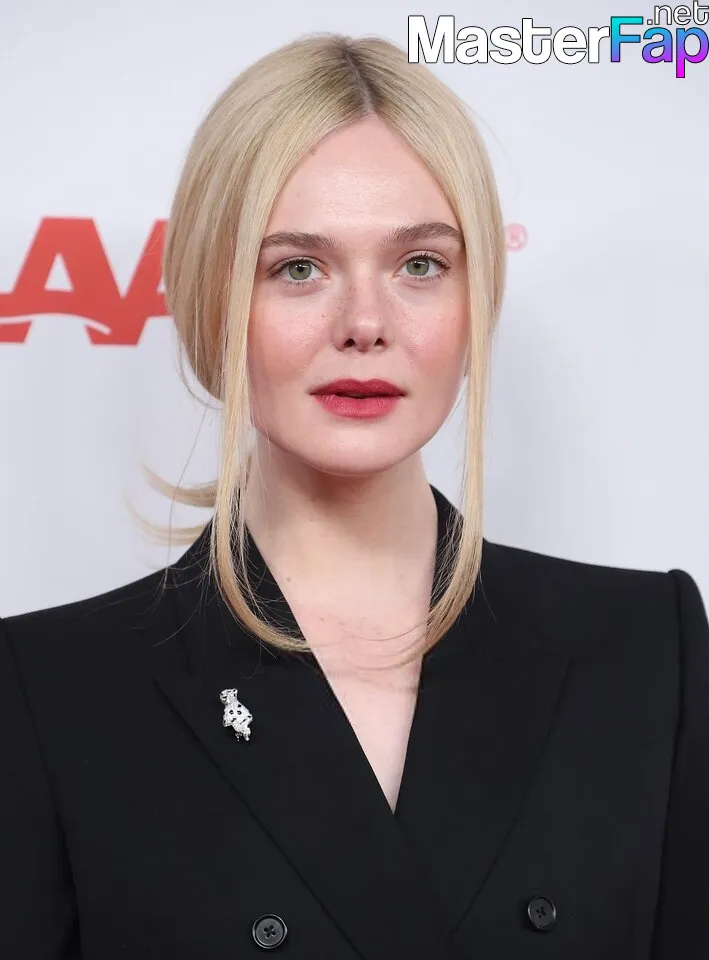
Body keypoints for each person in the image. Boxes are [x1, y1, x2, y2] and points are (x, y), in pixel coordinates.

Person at [1, 32, 707, 960]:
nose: (365, 325)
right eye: (297, 267)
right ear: (213, 299)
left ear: (475, 300)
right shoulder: (48, 691)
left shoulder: (645, 649)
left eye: (420, 265)